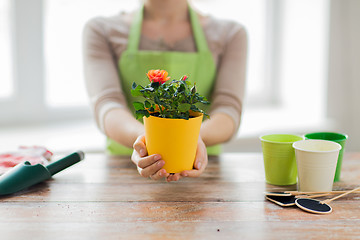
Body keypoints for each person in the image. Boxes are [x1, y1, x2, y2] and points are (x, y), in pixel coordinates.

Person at [83, 0, 247, 182]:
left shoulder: (230, 33)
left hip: (203, 172)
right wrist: (146, 143)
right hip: (123, 171)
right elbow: (107, 104)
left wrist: (192, 139)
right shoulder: (102, 30)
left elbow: (229, 109)